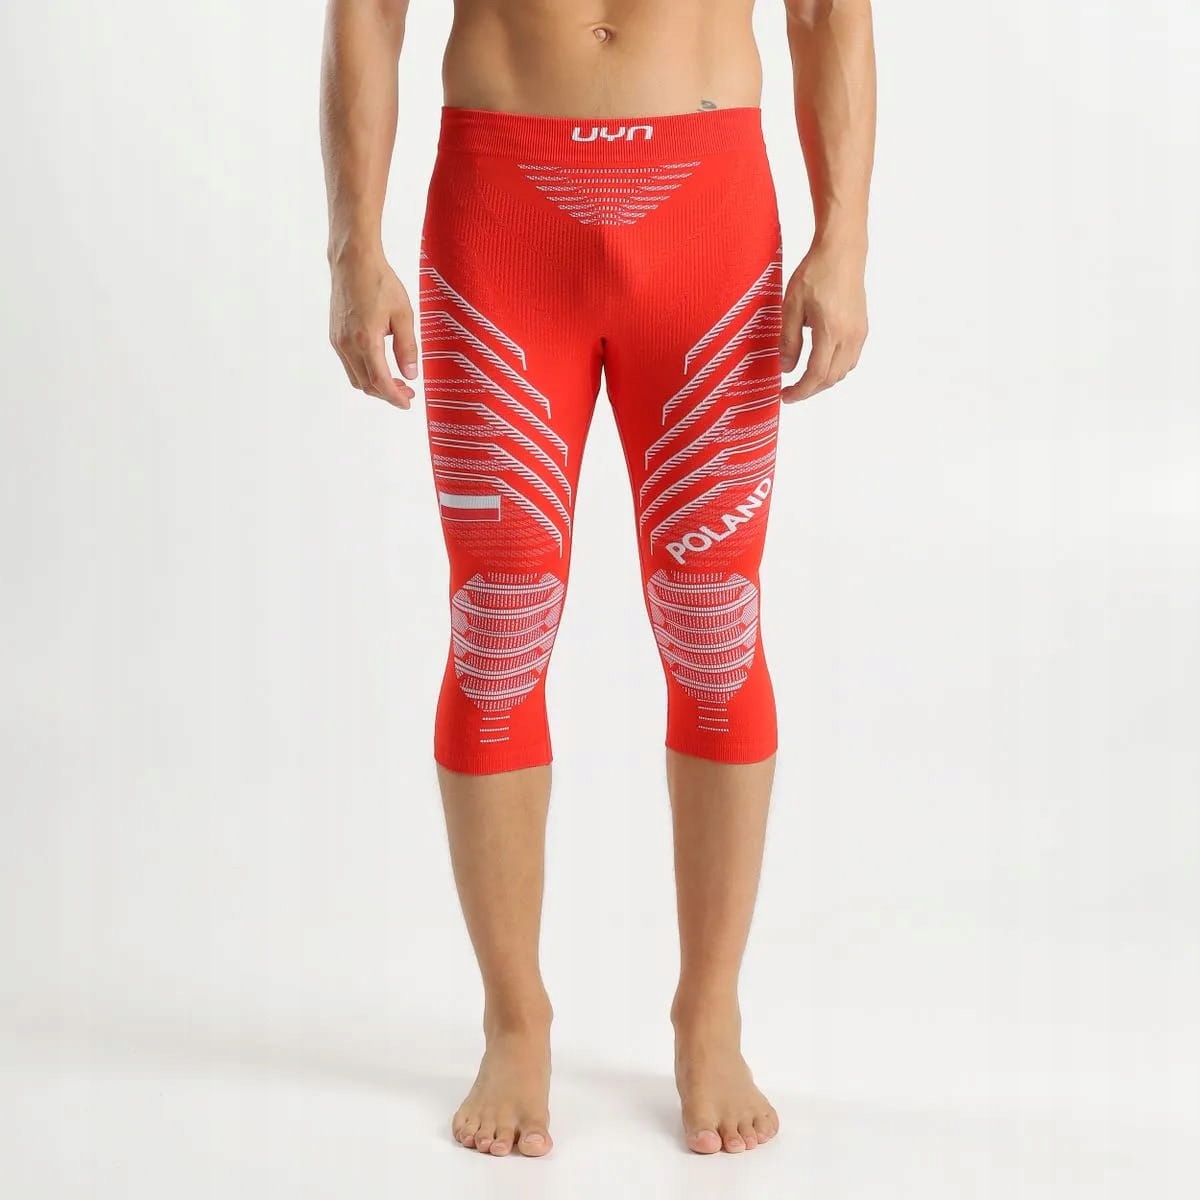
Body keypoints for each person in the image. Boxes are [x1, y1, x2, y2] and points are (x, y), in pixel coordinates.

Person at [319, 0, 875, 1159]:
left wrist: (845, 239)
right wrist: (351, 246)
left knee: (714, 620)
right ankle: (514, 1019)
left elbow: (826, 10)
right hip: (501, 206)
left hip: (707, 209)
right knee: (500, 623)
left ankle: (709, 1013)